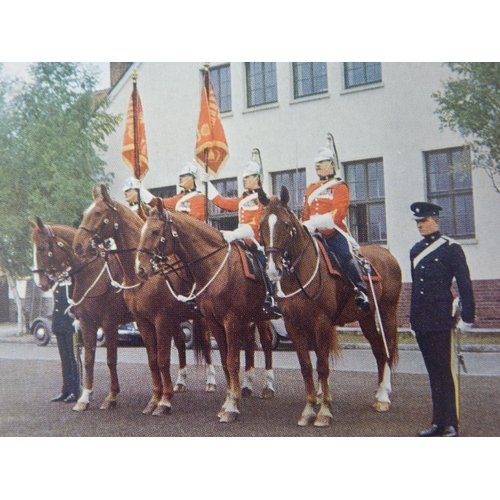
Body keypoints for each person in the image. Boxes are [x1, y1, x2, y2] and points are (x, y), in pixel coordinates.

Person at [410, 201, 475, 437]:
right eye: (417, 221)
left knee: (445, 372)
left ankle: (451, 423)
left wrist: (467, 317)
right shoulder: (415, 250)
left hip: (441, 319)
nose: (420, 225)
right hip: (422, 320)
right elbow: (417, 287)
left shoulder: (451, 248)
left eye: (424, 221)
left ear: (436, 220)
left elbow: (464, 284)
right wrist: (412, 320)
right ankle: (437, 422)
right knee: (433, 373)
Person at [200, 160, 282, 319]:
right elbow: (222, 202)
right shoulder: (243, 199)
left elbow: (256, 225)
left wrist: (235, 233)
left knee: (264, 263)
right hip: (241, 240)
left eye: (248, 177)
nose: (244, 180)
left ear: (257, 178)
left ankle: (271, 297)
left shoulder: (265, 199)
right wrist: (207, 184)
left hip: (257, 242)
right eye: (243, 177)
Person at [301, 146, 370, 312]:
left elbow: (337, 214)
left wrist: (313, 223)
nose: (317, 165)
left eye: (322, 162)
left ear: (332, 164)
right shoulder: (311, 188)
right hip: (313, 234)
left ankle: (360, 290)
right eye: (316, 163)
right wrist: (305, 225)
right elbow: (306, 213)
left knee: (345, 256)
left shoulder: (340, 187)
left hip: (333, 233)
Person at [136, 161, 206, 221]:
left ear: (193, 178)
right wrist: (141, 190)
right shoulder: (179, 198)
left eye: (184, 175)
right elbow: (160, 204)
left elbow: (194, 222)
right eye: (180, 176)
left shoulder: (199, 198)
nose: (180, 178)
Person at [50, 281, 81, 403]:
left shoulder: (72, 280)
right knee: (64, 359)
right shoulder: (59, 281)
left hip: (69, 325)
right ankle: (66, 390)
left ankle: (76, 391)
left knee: (73, 358)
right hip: (59, 324)